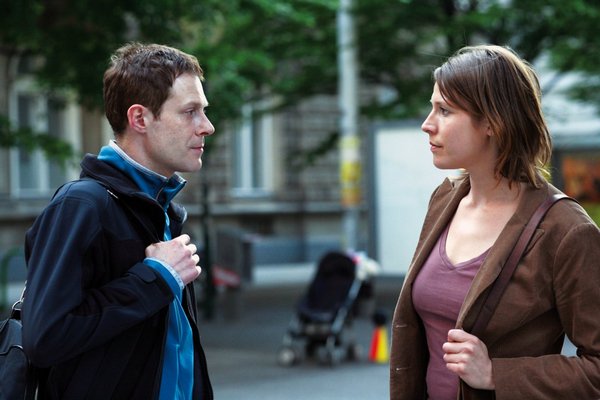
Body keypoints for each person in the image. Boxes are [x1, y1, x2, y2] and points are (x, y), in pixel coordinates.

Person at [389, 44, 600, 400]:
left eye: (444, 110)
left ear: (492, 122)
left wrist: (496, 374)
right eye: (431, 107)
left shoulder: (566, 230)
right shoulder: (444, 201)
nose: (427, 124)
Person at [22, 42, 215, 399]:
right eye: (190, 112)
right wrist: (155, 278)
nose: (207, 126)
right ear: (140, 119)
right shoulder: (81, 205)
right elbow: (45, 338)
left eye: (203, 111)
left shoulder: (161, 209)